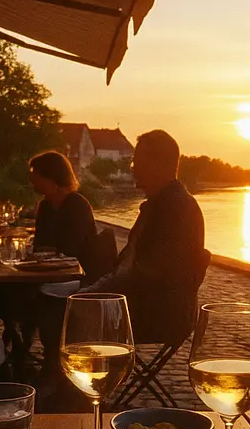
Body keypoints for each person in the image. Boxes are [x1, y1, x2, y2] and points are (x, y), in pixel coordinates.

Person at [82, 129, 205, 343]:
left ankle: (83, 363)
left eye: (136, 162)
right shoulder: (161, 204)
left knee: (71, 312)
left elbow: (146, 274)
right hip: (147, 304)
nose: (133, 169)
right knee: (69, 303)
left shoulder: (176, 210)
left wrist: (96, 293)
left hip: (160, 314)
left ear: (157, 165)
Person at [30, 151, 96, 260]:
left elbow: (73, 249)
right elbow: (39, 244)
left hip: (77, 268)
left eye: (37, 177)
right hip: (49, 266)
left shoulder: (78, 206)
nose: (33, 181)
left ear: (52, 179)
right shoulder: (45, 206)